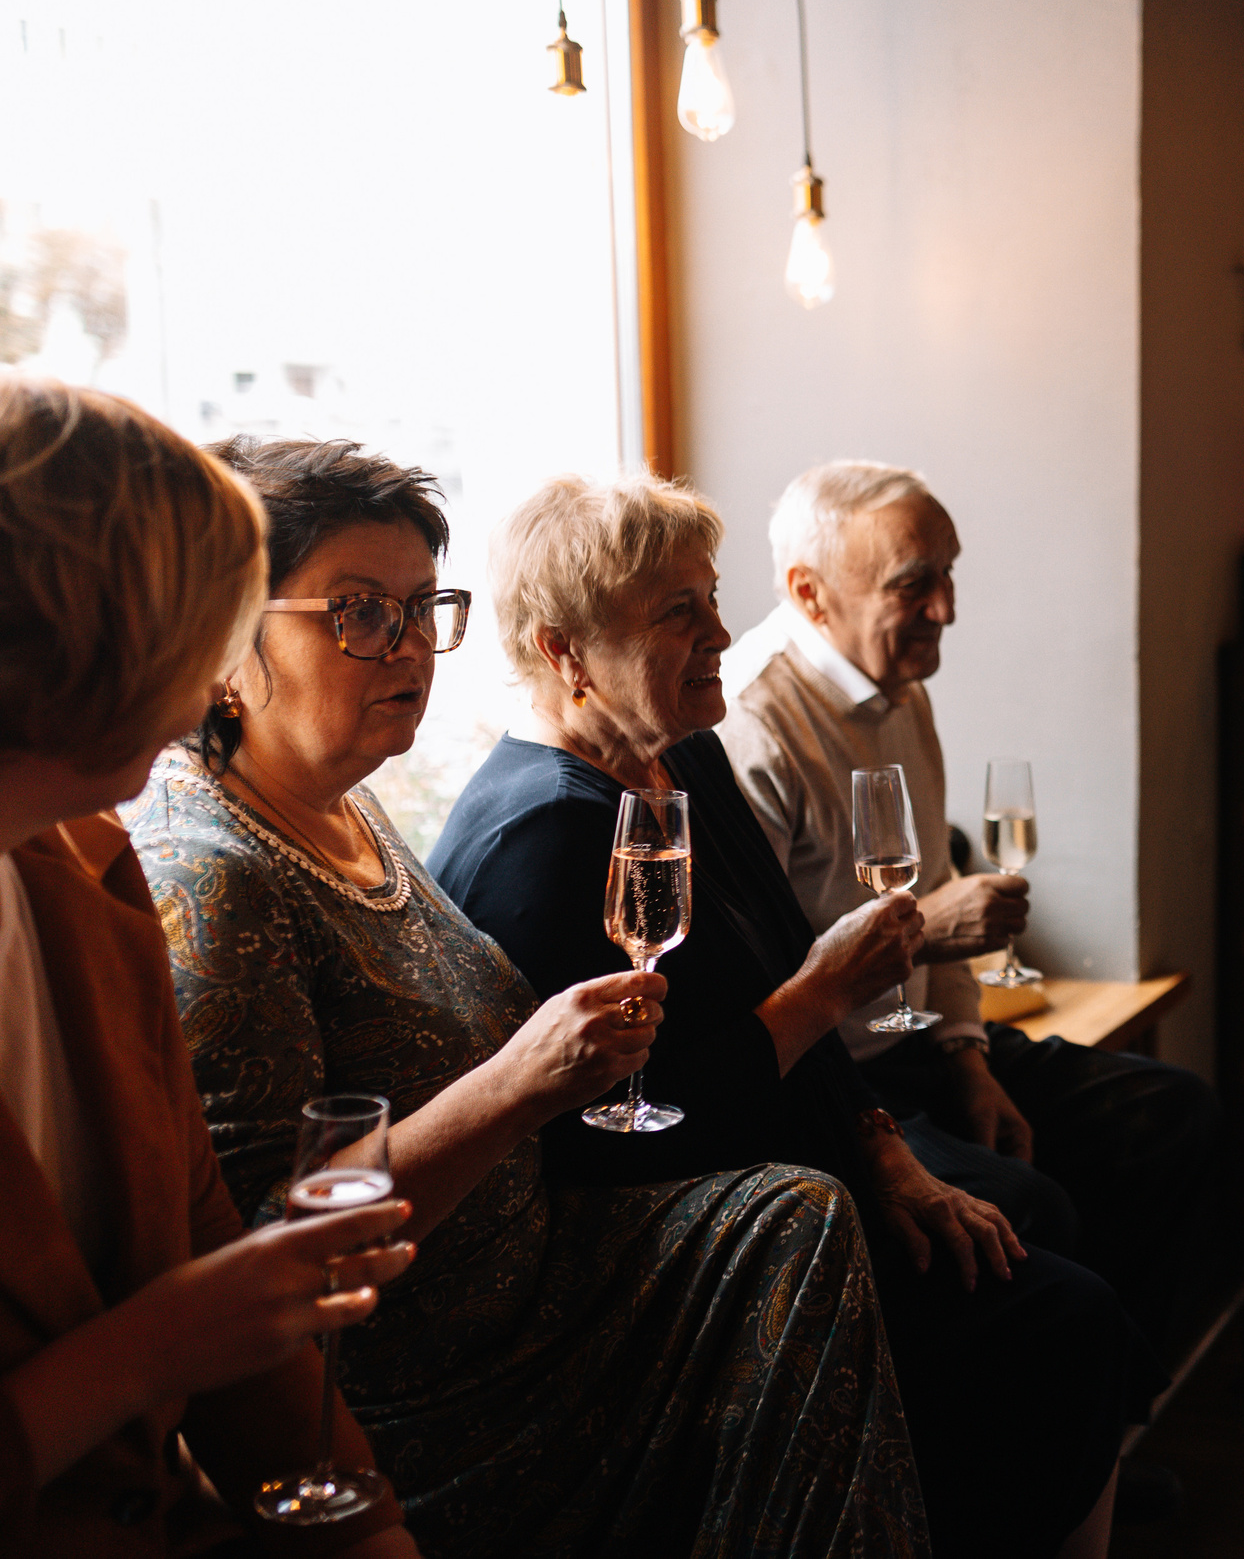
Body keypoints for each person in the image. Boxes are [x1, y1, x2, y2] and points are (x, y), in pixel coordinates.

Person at [128, 437, 929, 1558]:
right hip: (453, 1388)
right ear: (223, 635)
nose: (409, 647)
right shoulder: (212, 873)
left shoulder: (345, 807)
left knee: (806, 1216)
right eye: (359, 612)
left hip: (548, 1282)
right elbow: (263, 1251)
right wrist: (518, 1086)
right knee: (802, 1225)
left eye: (422, 607)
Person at [431, 471, 1155, 1559]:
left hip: (802, 1157)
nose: (723, 633)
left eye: (712, 599)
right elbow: (630, 1134)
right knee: (1057, 1317)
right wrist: (826, 998)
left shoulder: (685, 758)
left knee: (1049, 1262)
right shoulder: (542, 837)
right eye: (679, 611)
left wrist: (885, 1152)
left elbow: (782, 976)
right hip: (703, 1235)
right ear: (562, 652)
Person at [0, 380, 418, 1558]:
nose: (219, 671)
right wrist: (151, 1351)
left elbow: (215, 1277)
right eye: (203, 617)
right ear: (71, 628)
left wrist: (374, 1534)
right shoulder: (193, 864)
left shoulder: (94, 872)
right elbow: (190, 1320)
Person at [719, 460, 1220, 1349]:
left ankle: (1114, 1426)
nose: (948, 608)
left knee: (1169, 1111)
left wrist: (967, 1054)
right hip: (834, 1083)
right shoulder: (751, 722)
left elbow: (933, 894)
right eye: (916, 585)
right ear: (810, 591)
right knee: (1030, 1205)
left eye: (949, 574)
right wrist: (928, 934)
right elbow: (755, 978)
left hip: (916, 1043)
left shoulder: (900, 688)